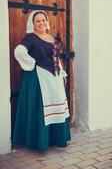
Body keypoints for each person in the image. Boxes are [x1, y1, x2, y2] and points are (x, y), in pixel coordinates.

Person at [12, 10, 71, 152]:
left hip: (54, 78)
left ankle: (54, 138)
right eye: (38, 21)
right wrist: (31, 63)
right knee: (42, 109)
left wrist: (62, 74)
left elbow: (56, 57)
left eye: (43, 20)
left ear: (47, 21)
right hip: (40, 79)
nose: (41, 23)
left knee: (55, 106)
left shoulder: (50, 37)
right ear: (33, 24)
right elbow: (19, 51)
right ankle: (40, 141)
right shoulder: (31, 38)